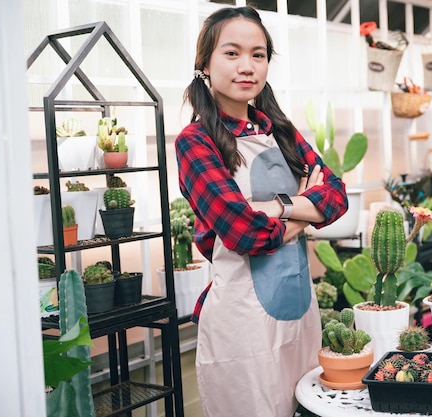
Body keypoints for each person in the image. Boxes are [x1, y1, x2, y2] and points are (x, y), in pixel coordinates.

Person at [174, 6, 348, 417]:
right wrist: (305, 210)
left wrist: (273, 208)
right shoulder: (195, 142)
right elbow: (245, 233)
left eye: (258, 54)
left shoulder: (280, 130)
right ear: (205, 63)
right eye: (231, 53)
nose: (247, 66)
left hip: (301, 314)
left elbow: (337, 194)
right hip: (241, 326)